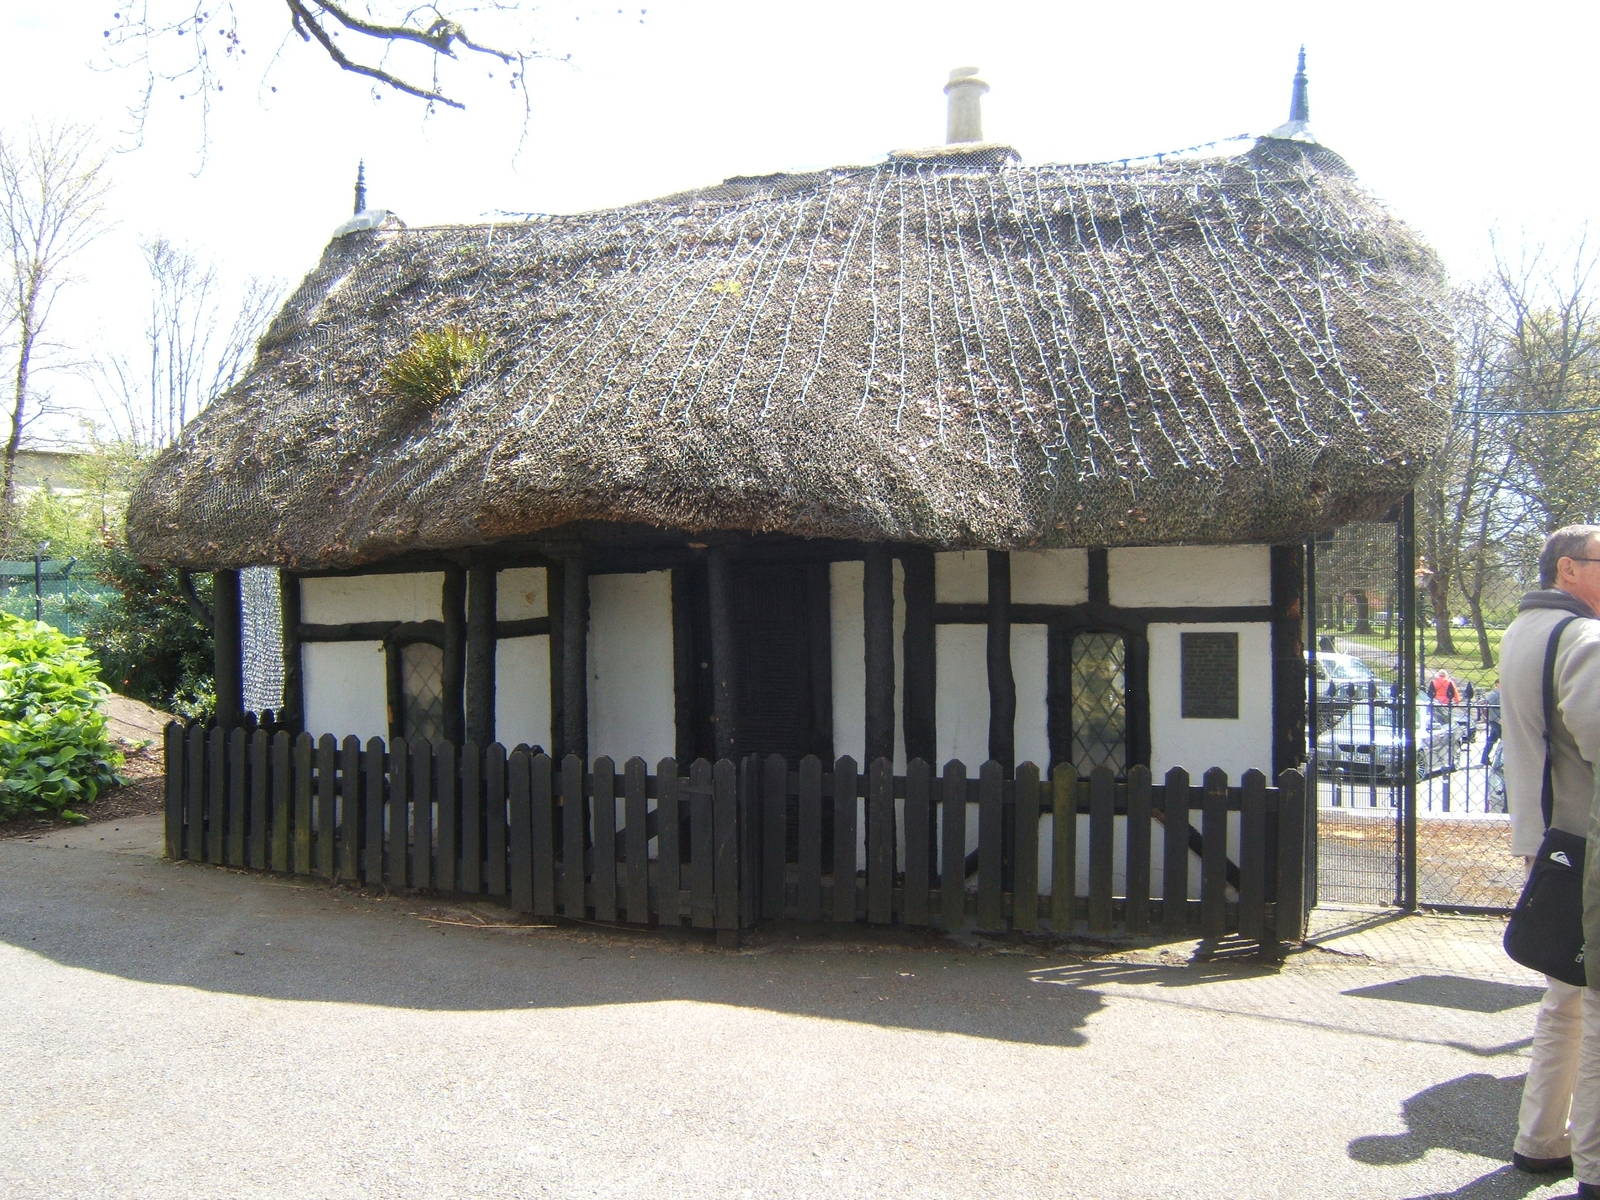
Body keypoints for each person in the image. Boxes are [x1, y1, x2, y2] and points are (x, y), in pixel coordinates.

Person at [1503, 526, 1600, 1193]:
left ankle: (1540, 1140)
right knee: (1594, 1007)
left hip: (1552, 841)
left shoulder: (1520, 633)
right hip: (1590, 842)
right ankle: (1594, 1166)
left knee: (1565, 996)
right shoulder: (1585, 640)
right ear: (1569, 568)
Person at [1480, 681, 1502, 767]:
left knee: (1492, 739)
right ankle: (1497, 759)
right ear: (1496, 684)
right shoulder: (1494, 694)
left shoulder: (1500, 693)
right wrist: (1497, 719)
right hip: (1495, 721)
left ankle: (1485, 758)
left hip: (1497, 720)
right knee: (1502, 739)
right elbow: (1488, 708)